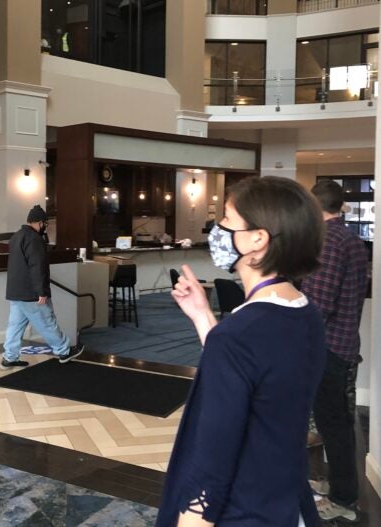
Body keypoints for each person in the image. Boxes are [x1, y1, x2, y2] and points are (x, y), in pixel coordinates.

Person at [157, 176, 326, 527]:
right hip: (284, 500)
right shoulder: (303, 312)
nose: (217, 230)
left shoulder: (239, 335)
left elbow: (212, 459)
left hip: (241, 510)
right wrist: (203, 315)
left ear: (258, 240)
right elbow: (253, 374)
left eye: (228, 221)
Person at [301, 179, 369, 523]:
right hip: (345, 342)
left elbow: (319, 305)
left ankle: (344, 498)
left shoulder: (328, 243)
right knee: (336, 423)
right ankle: (338, 485)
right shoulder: (352, 240)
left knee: (335, 425)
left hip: (329, 348)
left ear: (315, 207)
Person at [2, 205, 84, 369]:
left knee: (15, 327)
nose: (45, 227)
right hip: (31, 293)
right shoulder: (35, 239)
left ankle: (9, 357)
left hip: (15, 292)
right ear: (40, 223)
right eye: (45, 224)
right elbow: (37, 266)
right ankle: (64, 351)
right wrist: (41, 291)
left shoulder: (16, 237)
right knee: (47, 322)